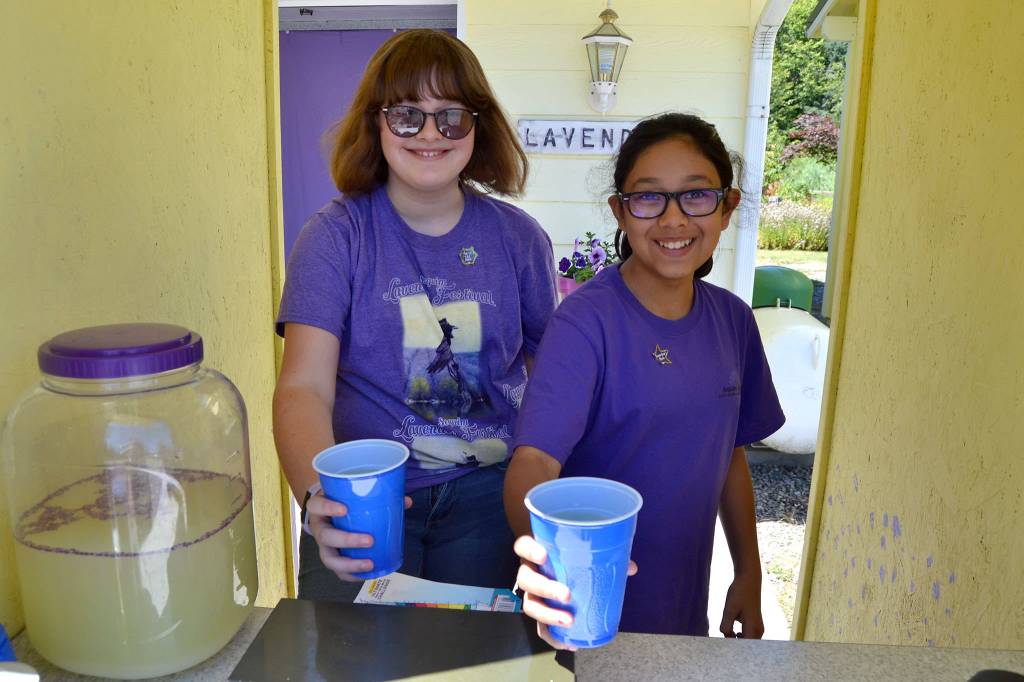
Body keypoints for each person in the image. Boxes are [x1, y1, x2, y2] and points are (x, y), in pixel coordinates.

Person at [274, 29, 557, 601]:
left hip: (489, 500)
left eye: (451, 116)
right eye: (407, 115)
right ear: (375, 125)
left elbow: (553, 383)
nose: (430, 133)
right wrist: (316, 499)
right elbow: (303, 387)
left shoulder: (519, 239)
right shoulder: (334, 236)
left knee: (477, 665)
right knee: (347, 660)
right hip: (362, 499)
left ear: (478, 128)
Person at [503, 112, 785, 647]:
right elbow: (534, 460)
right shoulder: (585, 322)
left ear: (728, 207)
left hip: (681, 611)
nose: (674, 220)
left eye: (697, 196)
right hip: (580, 610)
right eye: (649, 198)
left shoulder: (733, 321)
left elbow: (729, 452)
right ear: (621, 212)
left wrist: (748, 572)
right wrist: (544, 561)